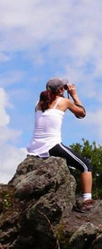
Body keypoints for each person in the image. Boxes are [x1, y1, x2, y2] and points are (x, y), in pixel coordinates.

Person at [27, 77, 94, 212]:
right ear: (61, 90)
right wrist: (74, 95)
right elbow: (82, 114)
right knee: (86, 165)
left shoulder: (38, 104)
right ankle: (87, 200)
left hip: (34, 148)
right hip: (52, 146)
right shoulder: (64, 101)